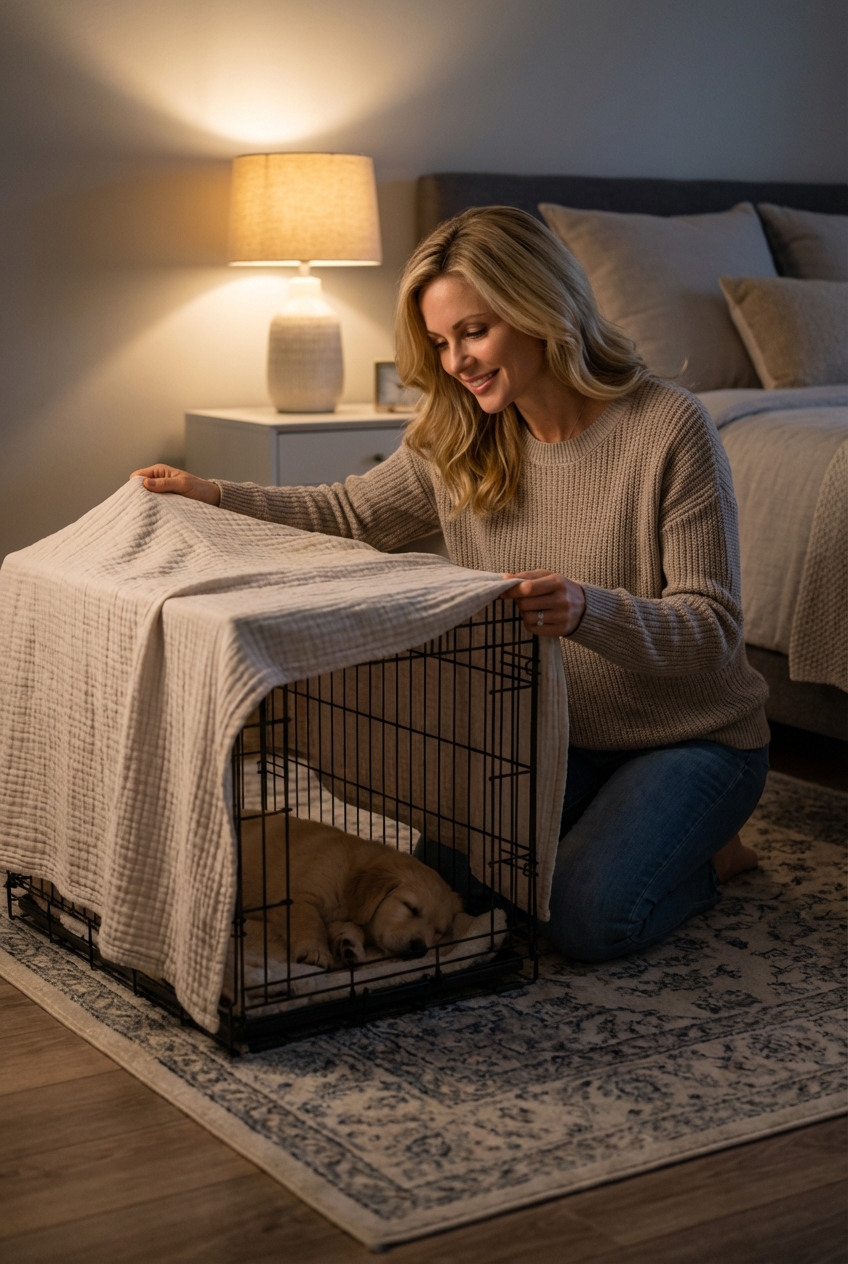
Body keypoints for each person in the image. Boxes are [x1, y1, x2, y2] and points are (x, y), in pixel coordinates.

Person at [132, 205, 769, 963]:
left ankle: (714, 855)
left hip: (692, 737)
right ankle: (612, 824)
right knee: (447, 881)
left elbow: (712, 628)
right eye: (440, 342)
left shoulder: (669, 427)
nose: (457, 361)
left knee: (583, 916)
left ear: (540, 309)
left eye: (474, 332)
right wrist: (212, 494)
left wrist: (586, 608)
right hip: (553, 736)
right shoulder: (458, 433)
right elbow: (348, 514)